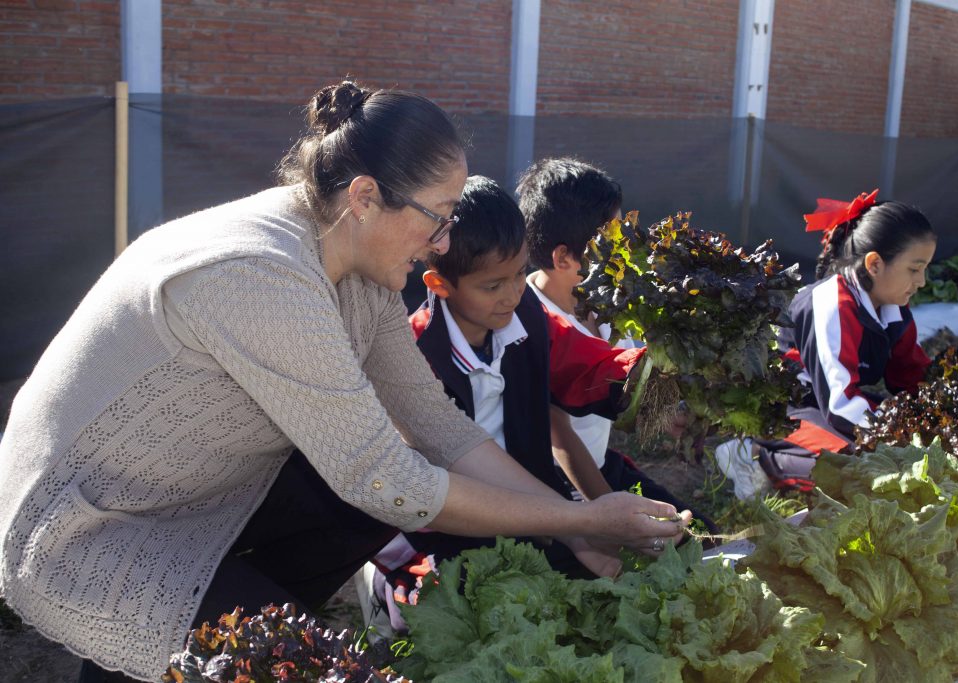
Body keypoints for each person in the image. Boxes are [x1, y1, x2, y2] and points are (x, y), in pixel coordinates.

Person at [0, 82, 685, 683]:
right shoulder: (264, 274)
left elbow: (440, 427)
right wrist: (576, 516)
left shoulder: (356, 266)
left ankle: (192, 641)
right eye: (438, 216)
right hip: (85, 524)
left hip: (186, 499)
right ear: (365, 197)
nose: (444, 241)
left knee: (349, 524)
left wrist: (576, 531)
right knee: (290, 642)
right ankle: (181, 643)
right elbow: (389, 477)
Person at [361, 176, 692, 636]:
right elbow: (426, 485)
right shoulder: (413, 356)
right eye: (493, 285)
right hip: (444, 525)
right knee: (452, 620)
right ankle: (382, 586)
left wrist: (667, 374)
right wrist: (581, 531)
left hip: (537, 511)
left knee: (600, 598)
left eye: (519, 274)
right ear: (438, 284)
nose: (513, 294)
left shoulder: (530, 320)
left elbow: (587, 364)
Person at [516, 157, 716, 528]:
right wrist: (607, 516)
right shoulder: (528, 322)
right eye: (612, 241)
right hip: (558, 489)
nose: (625, 247)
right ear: (564, 258)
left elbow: (639, 380)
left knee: (703, 536)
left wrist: (669, 411)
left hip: (602, 466)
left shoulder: (611, 302)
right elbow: (560, 439)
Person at [719, 189, 935, 495]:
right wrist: (897, 436)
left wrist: (937, 419)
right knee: (860, 469)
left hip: (829, 407)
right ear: (874, 264)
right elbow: (839, 404)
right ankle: (754, 454)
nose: (921, 281)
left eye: (925, 268)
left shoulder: (894, 308)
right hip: (791, 410)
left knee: (891, 458)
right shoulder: (829, 303)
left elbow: (910, 375)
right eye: (914, 269)